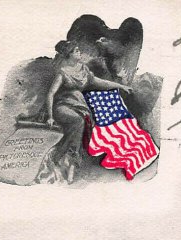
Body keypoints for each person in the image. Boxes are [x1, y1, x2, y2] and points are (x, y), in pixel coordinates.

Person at [36, 40, 133, 184]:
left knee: (82, 122)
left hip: (79, 105)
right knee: (79, 121)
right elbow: (51, 94)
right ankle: (59, 158)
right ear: (69, 54)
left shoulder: (83, 69)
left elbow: (99, 82)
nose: (79, 53)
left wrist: (120, 86)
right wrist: (50, 116)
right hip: (62, 106)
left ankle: (66, 162)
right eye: (76, 51)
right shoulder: (62, 72)